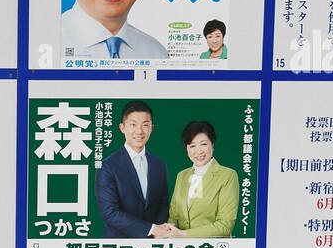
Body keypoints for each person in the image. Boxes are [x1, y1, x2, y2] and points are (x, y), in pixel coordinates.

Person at [95, 101, 175, 238]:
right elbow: (110, 213)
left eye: (145, 125)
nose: (139, 131)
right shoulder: (107, 166)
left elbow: (163, 204)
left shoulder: (159, 165)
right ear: (122, 128)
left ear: (152, 128)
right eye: (133, 125)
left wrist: (158, 232)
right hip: (118, 247)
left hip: (154, 244)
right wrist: (151, 229)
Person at [167, 121, 239, 238]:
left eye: (203, 144)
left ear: (212, 144)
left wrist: (184, 234)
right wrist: (170, 228)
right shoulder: (182, 176)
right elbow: (174, 215)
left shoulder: (228, 175)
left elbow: (225, 225)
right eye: (192, 146)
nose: (198, 151)